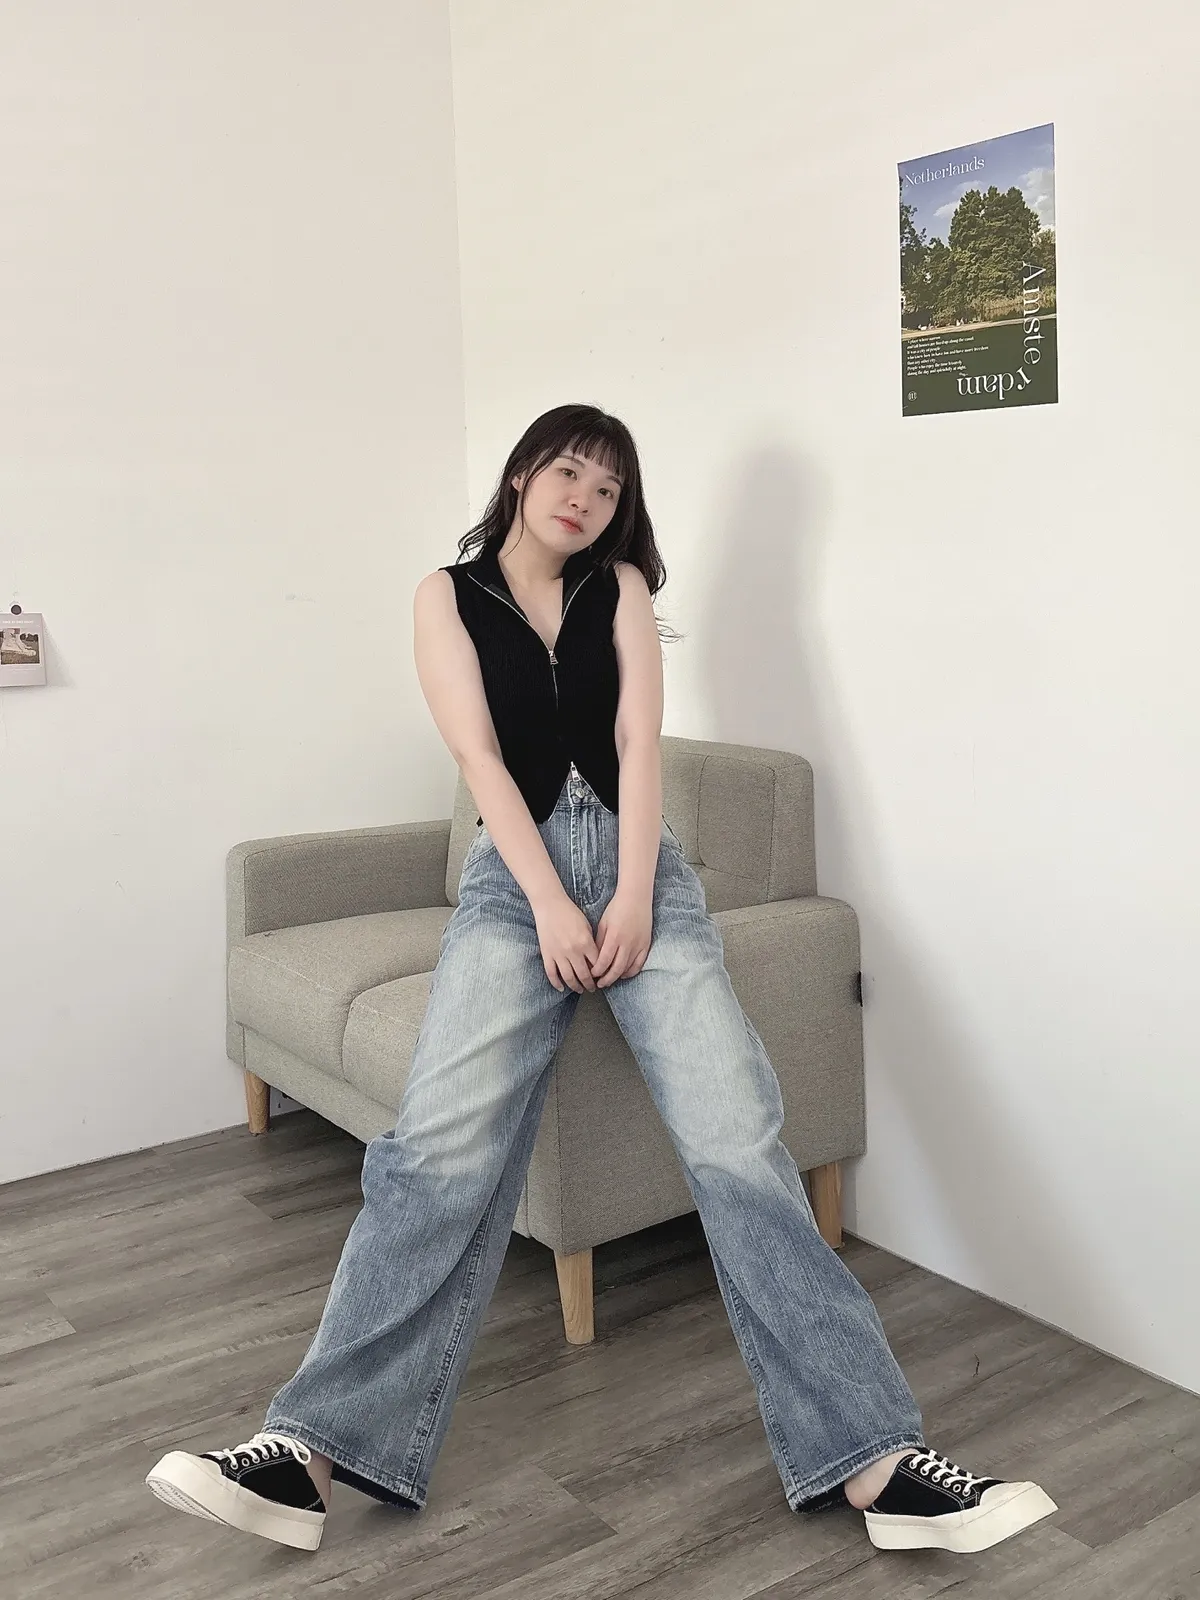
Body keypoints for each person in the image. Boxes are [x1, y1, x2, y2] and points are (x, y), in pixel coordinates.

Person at [145, 403, 1057, 1557]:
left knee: (739, 1143)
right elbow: (478, 756)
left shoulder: (619, 588)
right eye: (569, 470)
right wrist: (547, 903)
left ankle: (874, 1460)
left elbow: (635, 746)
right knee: (434, 1154)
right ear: (522, 473)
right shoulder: (445, 595)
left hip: (643, 874)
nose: (585, 497)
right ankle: (306, 1452)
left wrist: (630, 897)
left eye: (610, 487)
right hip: (509, 881)